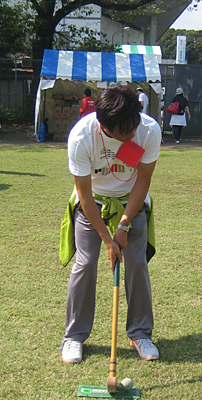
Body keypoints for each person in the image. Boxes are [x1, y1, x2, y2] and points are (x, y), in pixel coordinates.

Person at [60, 85, 161, 363]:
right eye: (124, 132)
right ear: (104, 126)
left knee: (137, 263)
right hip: (93, 204)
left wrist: (124, 225)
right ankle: (74, 337)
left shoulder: (148, 130)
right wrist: (108, 239)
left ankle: (141, 333)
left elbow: (143, 181)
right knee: (86, 262)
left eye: (133, 126)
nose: (131, 134)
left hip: (132, 201)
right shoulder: (82, 137)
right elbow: (84, 196)